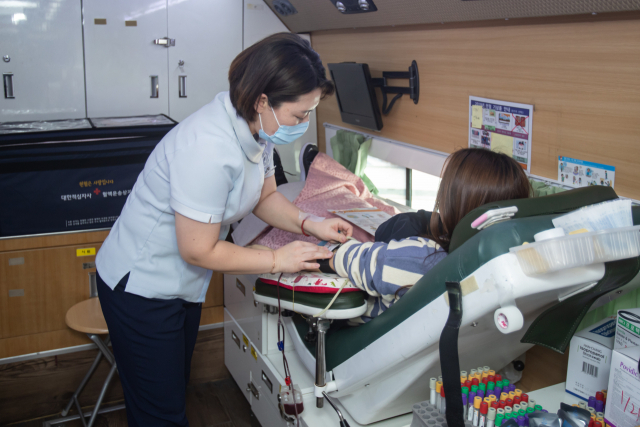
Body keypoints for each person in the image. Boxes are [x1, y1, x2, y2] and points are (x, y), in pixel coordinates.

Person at [95, 33, 353, 426]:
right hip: (141, 285)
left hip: (181, 283)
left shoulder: (257, 131)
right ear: (262, 101)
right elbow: (198, 249)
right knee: (159, 414)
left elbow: (264, 197)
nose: (303, 125)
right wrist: (276, 259)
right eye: (299, 116)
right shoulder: (207, 148)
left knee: (168, 395)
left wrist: (309, 223)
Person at [322, 148, 531, 323]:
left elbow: (355, 261)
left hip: (359, 331)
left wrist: (329, 249)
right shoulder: (516, 262)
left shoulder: (421, 258)